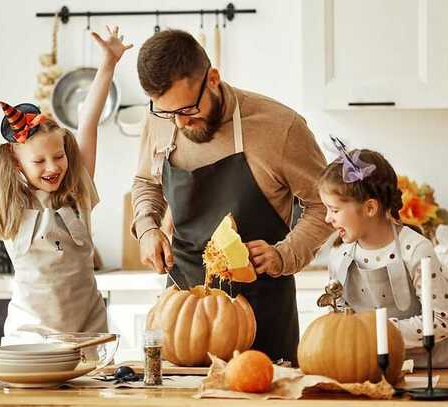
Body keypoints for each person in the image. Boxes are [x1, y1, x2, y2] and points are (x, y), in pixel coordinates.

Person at [0, 28, 132, 344]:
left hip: (89, 336)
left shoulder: (77, 195)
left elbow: (88, 123)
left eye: (58, 156)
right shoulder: (8, 203)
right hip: (30, 340)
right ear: (18, 164)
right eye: (39, 161)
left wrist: (109, 63)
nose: (53, 166)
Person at [131, 29, 332, 365]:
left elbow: (324, 204)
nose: (179, 123)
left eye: (188, 109)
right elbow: (145, 183)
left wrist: (285, 254)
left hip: (261, 313)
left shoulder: (280, 128)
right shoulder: (160, 118)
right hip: (182, 312)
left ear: (212, 79)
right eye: (168, 114)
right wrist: (147, 226)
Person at [320, 137, 448, 367]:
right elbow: (340, 321)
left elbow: (441, 320)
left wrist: (374, 331)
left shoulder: (417, 250)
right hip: (368, 368)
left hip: (426, 370)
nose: (327, 218)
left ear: (370, 207)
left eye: (334, 210)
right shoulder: (340, 256)